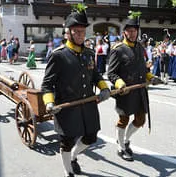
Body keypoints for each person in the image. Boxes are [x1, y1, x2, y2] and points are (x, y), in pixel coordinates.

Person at [41, 4, 110, 177]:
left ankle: (73, 157)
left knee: (91, 138)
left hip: (88, 104)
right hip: (67, 106)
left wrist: (104, 89)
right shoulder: (58, 55)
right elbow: (47, 85)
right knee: (67, 141)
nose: (80, 35)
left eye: (82, 31)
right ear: (68, 33)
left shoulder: (88, 53)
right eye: (76, 31)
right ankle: (68, 171)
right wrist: (49, 103)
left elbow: (95, 75)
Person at [107, 13, 162, 161]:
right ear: (124, 32)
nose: (132, 33)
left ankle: (124, 140)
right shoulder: (117, 49)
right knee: (123, 120)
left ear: (137, 32)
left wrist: (151, 78)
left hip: (139, 91)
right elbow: (111, 73)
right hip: (125, 91)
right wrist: (120, 84)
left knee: (140, 120)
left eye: (134, 31)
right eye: (129, 31)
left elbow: (143, 69)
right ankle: (121, 147)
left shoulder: (139, 47)